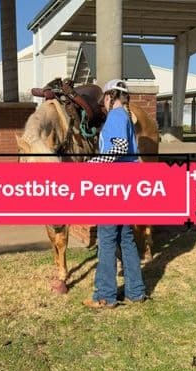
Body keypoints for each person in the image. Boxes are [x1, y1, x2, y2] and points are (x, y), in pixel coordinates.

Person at [83, 79, 146, 309]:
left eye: (104, 100)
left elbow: (118, 149)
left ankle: (105, 295)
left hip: (114, 186)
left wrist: (92, 162)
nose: (104, 104)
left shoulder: (117, 117)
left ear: (110, 96)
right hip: (127, 186)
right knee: (126, 238)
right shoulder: (126, 117)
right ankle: (136, 292)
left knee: (107, 239)